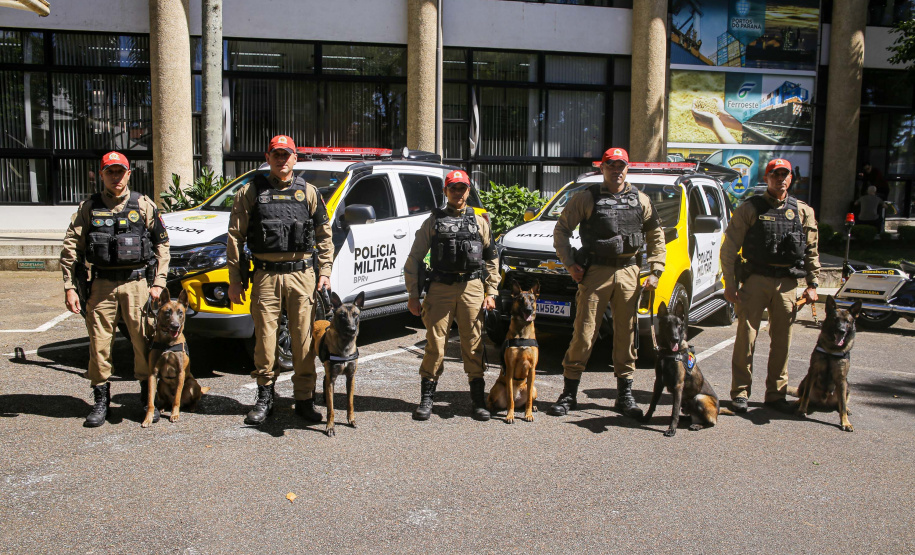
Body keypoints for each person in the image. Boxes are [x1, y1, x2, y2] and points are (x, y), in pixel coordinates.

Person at [548, 147, 666, 419]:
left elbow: (656, 236)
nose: (616, 170)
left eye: (621, 165)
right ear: (602, 168)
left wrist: (655, 270)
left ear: (628, 168)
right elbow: (561, 230)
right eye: (611, 165)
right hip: (596, 273)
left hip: (629, 273)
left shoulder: (641, 200)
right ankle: (569, 394)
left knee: (627, 335)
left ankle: (624, 395)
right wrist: (569, 264)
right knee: (584, 333)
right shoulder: (587, 198)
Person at [226, 135, 334, 426]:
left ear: (295, 158)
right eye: (276, 154)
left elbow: (324, 236)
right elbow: (235, 237)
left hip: (301, 275)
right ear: (268, 156)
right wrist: (235, 279)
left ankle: (304, 400)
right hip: (265, 276)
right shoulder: (250, 192)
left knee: (303, 341)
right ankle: (265, 397)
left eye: (286, 154)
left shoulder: (309, 193)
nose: (281, 159)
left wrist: (324, 272)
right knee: (265, 341)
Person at [60, 151, 171, 427]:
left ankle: (147, 398)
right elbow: (70, 249)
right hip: (101, 287)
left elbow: (162, 246)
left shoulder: (144, 205)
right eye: (110, 172)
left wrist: (158, 283)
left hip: (136, 285)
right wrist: (70, 288)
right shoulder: (89, 208)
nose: (115, 177)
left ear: (129, 173)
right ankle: (101, 400)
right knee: (99, 345)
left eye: (120, 172)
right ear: (102, 175)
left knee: (143, 343)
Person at [721, 158, 820, 414]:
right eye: (775, 174)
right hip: (755, 281)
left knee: (782, 341)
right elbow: (730, 248)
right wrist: (729, 284)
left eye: (784, 175)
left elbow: (811, 250)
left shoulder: (803, 211)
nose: (780, 179)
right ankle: (740, 393)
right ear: (766, 178)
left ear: (790, 178)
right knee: (746, 337)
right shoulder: (750, 208)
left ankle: (776, 394)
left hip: (787, 283)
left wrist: (813, 283)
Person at [403, 170, 499, 421]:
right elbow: (414, 259)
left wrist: (492, 291)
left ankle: (478, 401)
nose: (458, 192)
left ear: (469, 191)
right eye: (453, 188)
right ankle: (426, 400)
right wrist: (413, 294)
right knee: (435, 345)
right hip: (440, 289)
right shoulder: (433, 221)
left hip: (472, 288)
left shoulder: (479, 221)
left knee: (473, 344)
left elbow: (491, 258)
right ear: (445, 191)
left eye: (462, 188)